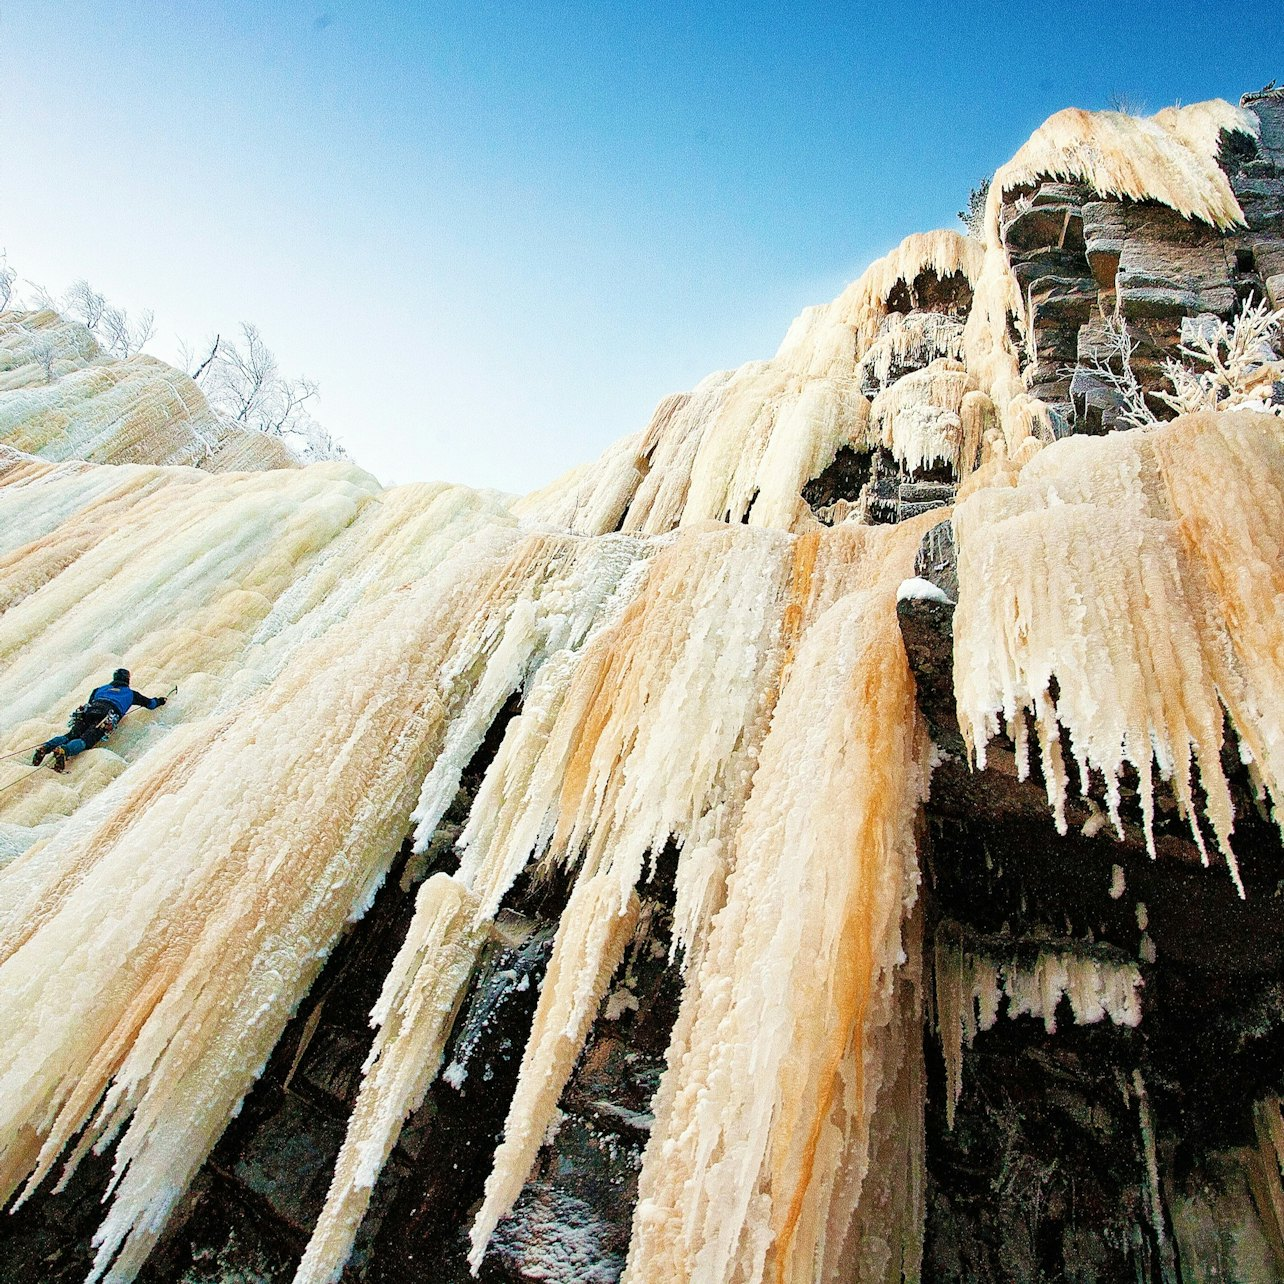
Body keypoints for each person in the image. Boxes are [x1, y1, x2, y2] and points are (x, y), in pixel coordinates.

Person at [32, 669, 167, 772]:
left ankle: (46, 747)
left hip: (89, 711)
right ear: (127, 680)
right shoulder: (131, 694)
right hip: (107, 715)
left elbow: (91, 702)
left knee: (71, 735)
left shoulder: (99, 689)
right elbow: (150, 704)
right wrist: (161, 700)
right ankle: (64, 751)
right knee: (86, 740)